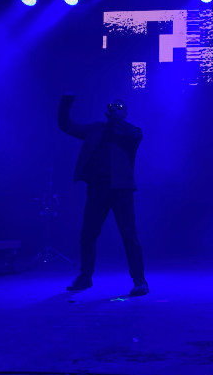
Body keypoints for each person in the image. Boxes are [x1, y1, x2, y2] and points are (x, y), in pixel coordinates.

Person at [58, 94, 148, 296]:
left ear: (125, 113)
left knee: (129, 235)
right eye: (113, 106)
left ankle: (140, 281)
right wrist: (65, 103)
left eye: (119, 107)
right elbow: (67, 126)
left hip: (121, 190)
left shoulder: (131, 133)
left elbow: (136, 135)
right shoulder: (96, 129)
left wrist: (116, 119)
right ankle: (85, 277)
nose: (115, 108)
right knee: (88, 234)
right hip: (97, 188)